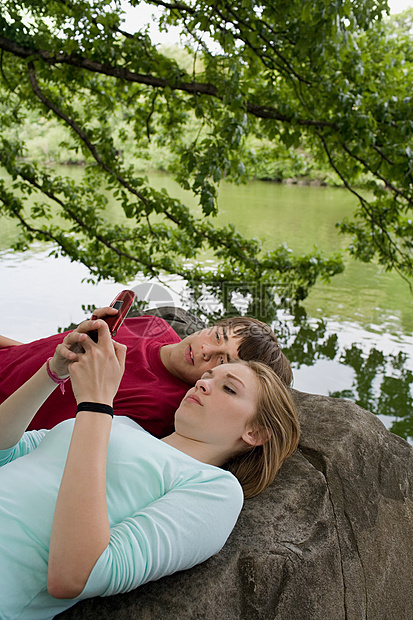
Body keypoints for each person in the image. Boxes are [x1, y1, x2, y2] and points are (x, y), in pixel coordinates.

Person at [0, 318, 299, 619]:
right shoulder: (123, 424)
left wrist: (96, 404)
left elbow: (73, 576)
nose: (203, 383)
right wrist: (54, 372)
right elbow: (5, 452)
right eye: (208, 376)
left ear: (256, 433)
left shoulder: (215, 488)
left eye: (229, 389)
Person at [0, 308, 293, 437]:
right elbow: (38, 352)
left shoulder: (163, 409)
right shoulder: (156, 326)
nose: (206, 352)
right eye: (217, 337)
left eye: (221, 362)